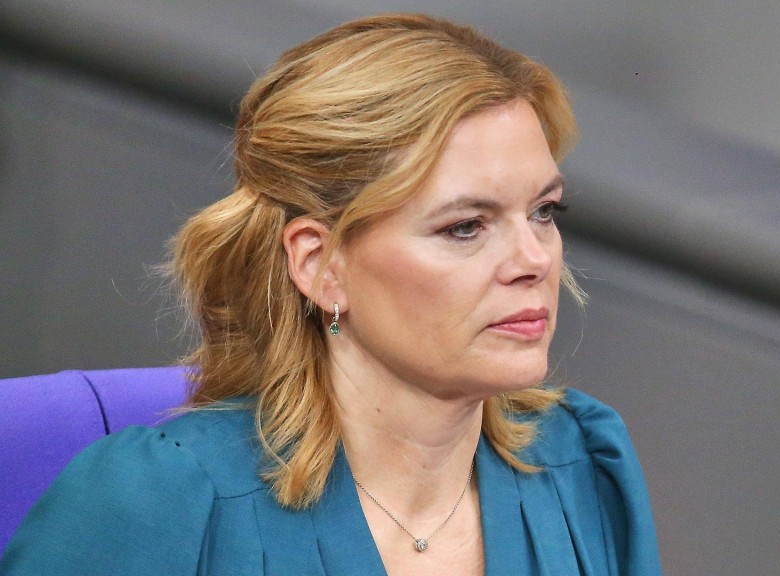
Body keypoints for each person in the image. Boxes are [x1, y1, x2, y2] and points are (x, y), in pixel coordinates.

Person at [0, 13, 660, 576]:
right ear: (321, 266)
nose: (535, 260)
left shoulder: (584, 459)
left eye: (544, 212)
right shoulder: (152, 500)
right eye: (465, 226)